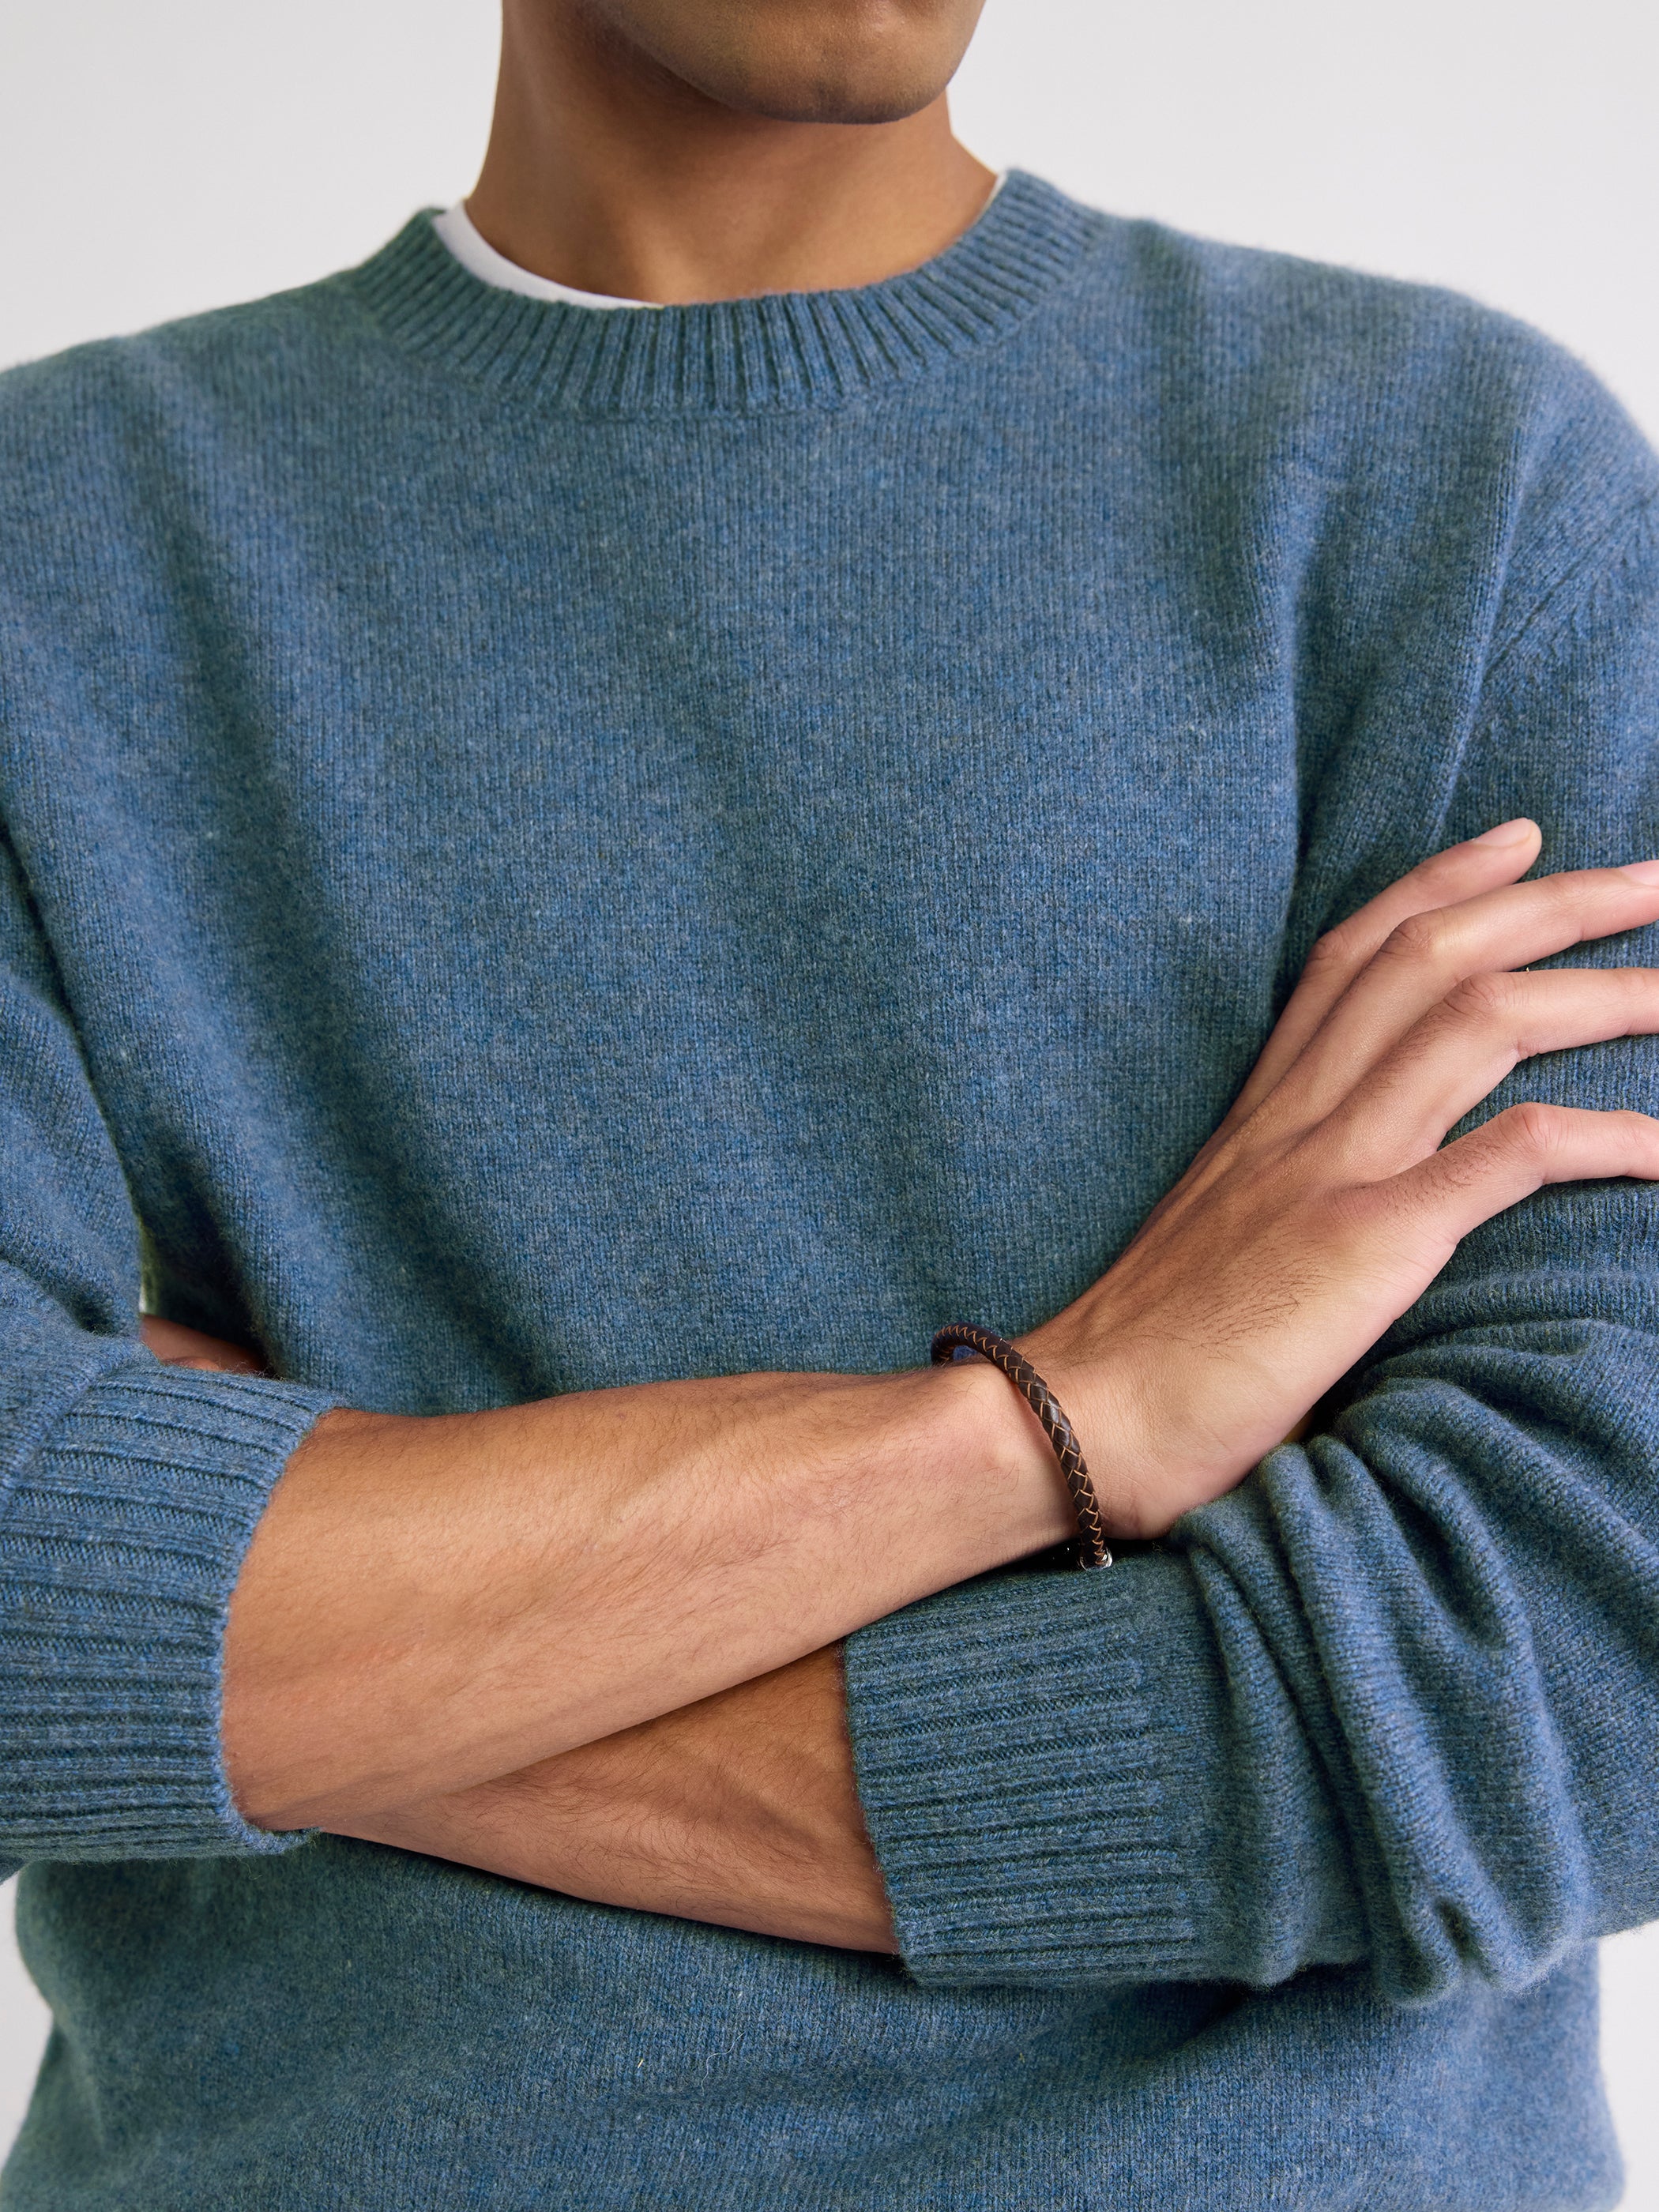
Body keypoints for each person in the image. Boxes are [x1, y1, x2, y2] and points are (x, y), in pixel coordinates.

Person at [2, 0, 1657, 2203]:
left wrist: (311, 1669)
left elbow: (1577, 1668)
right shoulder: (60, 553)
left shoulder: (1449, 491)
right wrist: (1051, 1425)